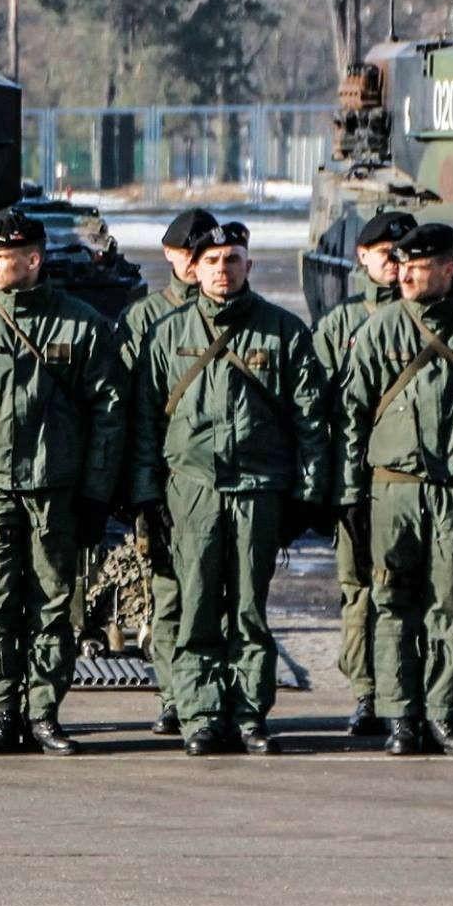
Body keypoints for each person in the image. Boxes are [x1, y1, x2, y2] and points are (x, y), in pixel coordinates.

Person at [0, 209, 126, 755]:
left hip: (54, 491)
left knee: (53, 606)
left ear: (33, 260)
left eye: (2, 258)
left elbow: (108, 414)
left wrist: (96, 494)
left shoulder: (81, 325)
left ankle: (42, 712)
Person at [130, 222, 330, 756]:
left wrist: (307, 496)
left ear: (249, 265)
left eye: (233, 259)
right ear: (194, 269)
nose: (223, 269)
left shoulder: (283, 331)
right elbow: (146, 422)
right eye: (213, 260)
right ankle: (200, 715)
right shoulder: (166, 334)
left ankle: (248, 714)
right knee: (195, 608)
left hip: (257, 491)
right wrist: (146, 495)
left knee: (249, 610)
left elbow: (311, 421)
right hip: (192, 491)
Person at [340, 223, 453, 756]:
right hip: (392, 490)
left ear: (448, 269)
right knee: (392, 602)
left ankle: (443, 713)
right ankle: (401, 715)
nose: (405, 276)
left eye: (419, 268)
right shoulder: (379, 331)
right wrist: (349, 495)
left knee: (450, 606)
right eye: (402, 266)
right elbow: (351, 417)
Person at [312, 209, 414, 736]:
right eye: (384, 255)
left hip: (414, 479)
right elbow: (317, 410)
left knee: (412, 591)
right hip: (357, 478)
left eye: (404, 254)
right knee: (358, 590)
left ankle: (410, 692)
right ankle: (366, 691)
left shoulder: (433, 320)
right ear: (363, 258)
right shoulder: (339, 325)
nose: (395, 263)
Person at [116, 208, 217, 736]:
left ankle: (214, 696)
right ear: (171, 256)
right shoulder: (144, 319)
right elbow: (130, 412)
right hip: (168, 482)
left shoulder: (234, 315)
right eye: (188, 253)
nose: (197, 263)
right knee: (171, 594)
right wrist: (139, 491)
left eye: (206, 253)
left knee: (221, 597)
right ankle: (175, 694)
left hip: (220, 482)